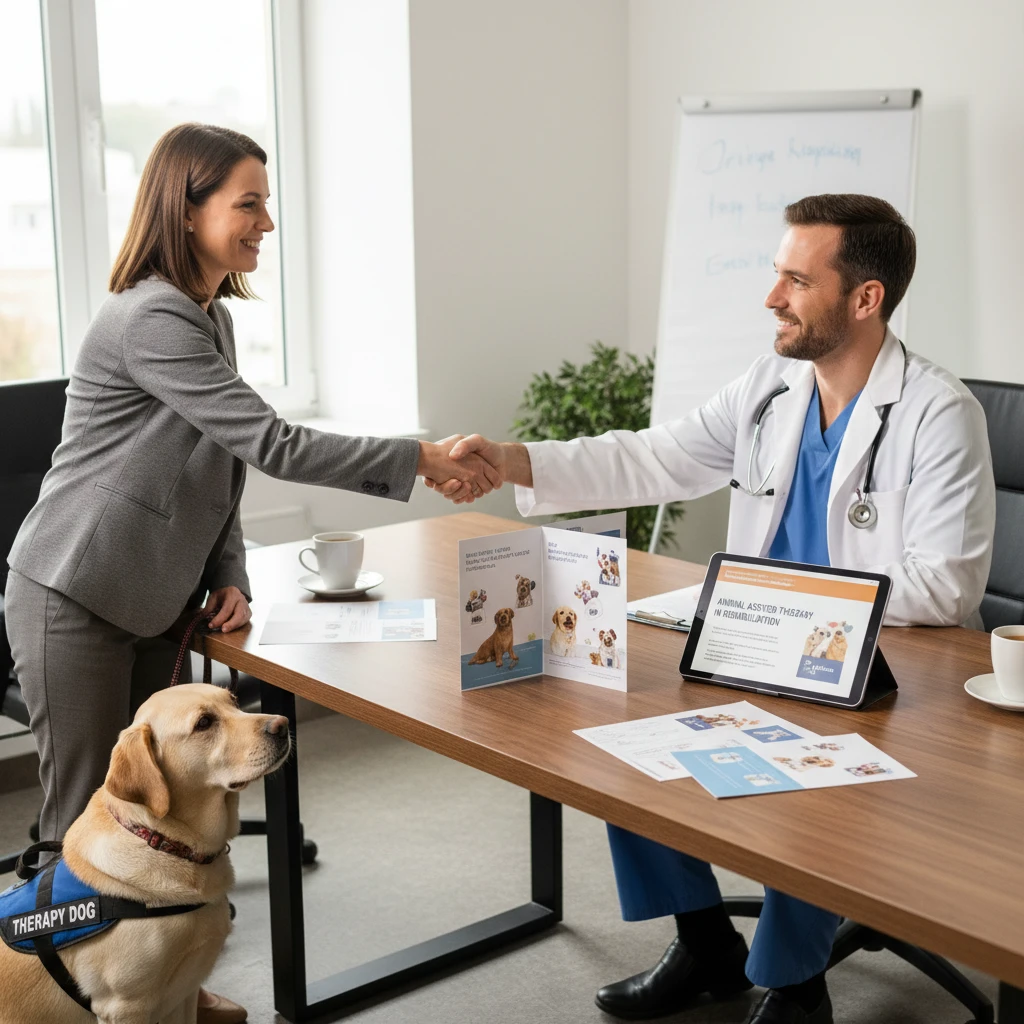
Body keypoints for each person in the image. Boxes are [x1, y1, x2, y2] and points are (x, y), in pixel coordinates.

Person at [431, 194, 996, 1024]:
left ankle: (797, 986)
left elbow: (945, 587)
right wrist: (512, 458)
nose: (772, 296)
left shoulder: (940, 414)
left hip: (887, 674)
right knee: (625, 743)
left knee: (809, 780)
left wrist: (776, 600)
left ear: (865, 299)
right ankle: (705, 942)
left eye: (796, 280)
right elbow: (657, 458)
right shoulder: (773, 387)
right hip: (758, 648)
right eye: (777, 274)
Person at [4, 123, 491, 1024]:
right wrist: (420, 455)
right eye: (249, 202)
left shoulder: (210, 316)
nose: (266, 221)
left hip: (153, 594)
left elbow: (220, 462)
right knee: (88, 820)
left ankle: (158, 984)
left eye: (266, 202)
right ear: (186, 210)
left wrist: (227, 567)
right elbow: (272, 440)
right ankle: (70, 998)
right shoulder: (148, 313)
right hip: (72, 590)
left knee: (168, 817)